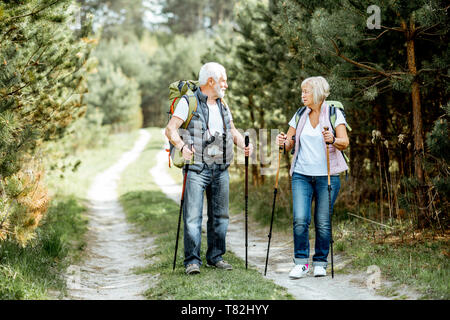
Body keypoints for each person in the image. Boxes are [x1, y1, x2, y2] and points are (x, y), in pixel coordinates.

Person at [165, 62, 253, 275]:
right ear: (211, 81)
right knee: (192, 217)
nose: (227, 85)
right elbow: (170, 130)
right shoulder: (188, 102)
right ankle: (192, 261)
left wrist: (245, 145)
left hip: (220, 168)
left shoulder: (223, 103)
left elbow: (231, 130)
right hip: (196, 169)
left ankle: (215, 257)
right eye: (223, 80)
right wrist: (182, 146)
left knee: (220, 216)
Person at [276, 76, 349, 278]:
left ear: (317, 93)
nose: (303, 95)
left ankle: (320, 262)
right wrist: (283, 141)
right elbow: (289, 143)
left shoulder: (334, 113)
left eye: (306, 91)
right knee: (300, 219)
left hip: (327, 176)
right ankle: (301, 263)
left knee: (323, 221)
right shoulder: (300, 114)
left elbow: (344, 142)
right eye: (302, 91)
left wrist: (333, 139)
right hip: (301, 175)